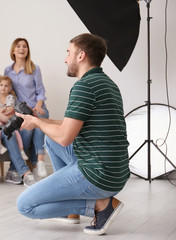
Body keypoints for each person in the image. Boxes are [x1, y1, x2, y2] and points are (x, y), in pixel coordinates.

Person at [16, 33, 130, 235]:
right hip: (115, 173)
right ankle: (72, 212)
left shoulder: (84, 87)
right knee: (50, 139)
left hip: (97, 173)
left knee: (25, 205)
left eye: (69, 53)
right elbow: (67, 126)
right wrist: (38, 119)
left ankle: (99, 205)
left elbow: (65, 136)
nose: (65, 59)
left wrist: (36, 122)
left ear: (81, 56)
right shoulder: (108, 84)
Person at [0, 52, 36, 187]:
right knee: (7, 131)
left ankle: (12, 170)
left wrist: (9, 116)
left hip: (8, 119)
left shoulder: (4, 82)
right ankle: (25, 172)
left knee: (26, 130)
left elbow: (13, 105)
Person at [4, 38, 49, 179]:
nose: (22, 48)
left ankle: (40, 161)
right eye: (18, 46)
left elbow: (41, 91)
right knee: (28, 130)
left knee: (38, 120)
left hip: (37, 107)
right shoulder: (8, 70)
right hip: (21, 111)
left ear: (28, 50)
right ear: (13, 50)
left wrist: (38, 105)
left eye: (25, 46)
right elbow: (7, 92)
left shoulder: (34, 68)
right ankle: (32, 164)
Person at [0, 75, 28, 161]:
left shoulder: (10, 97)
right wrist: (3, 109)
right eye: (1, 85)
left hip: (7, 119)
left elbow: (10, 108)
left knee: (16, 131)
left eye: (6, 86)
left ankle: (21, 150)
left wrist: (2, 112)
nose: (3, 88)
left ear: (10, 88)